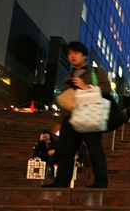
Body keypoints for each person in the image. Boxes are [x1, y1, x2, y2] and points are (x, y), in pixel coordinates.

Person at [43, 41, 110, 188]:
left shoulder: (96, 72)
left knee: (94, 149)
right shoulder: (69, 77)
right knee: (65, 151)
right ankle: (61, 182)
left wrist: (86, 86)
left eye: (76, 53)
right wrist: (61, 120)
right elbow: (68, 100)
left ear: (84, 56)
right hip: (71, 117)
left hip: (89, 115)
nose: (72, 56)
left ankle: (100, 182)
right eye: (69, 53)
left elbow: (106, 89)